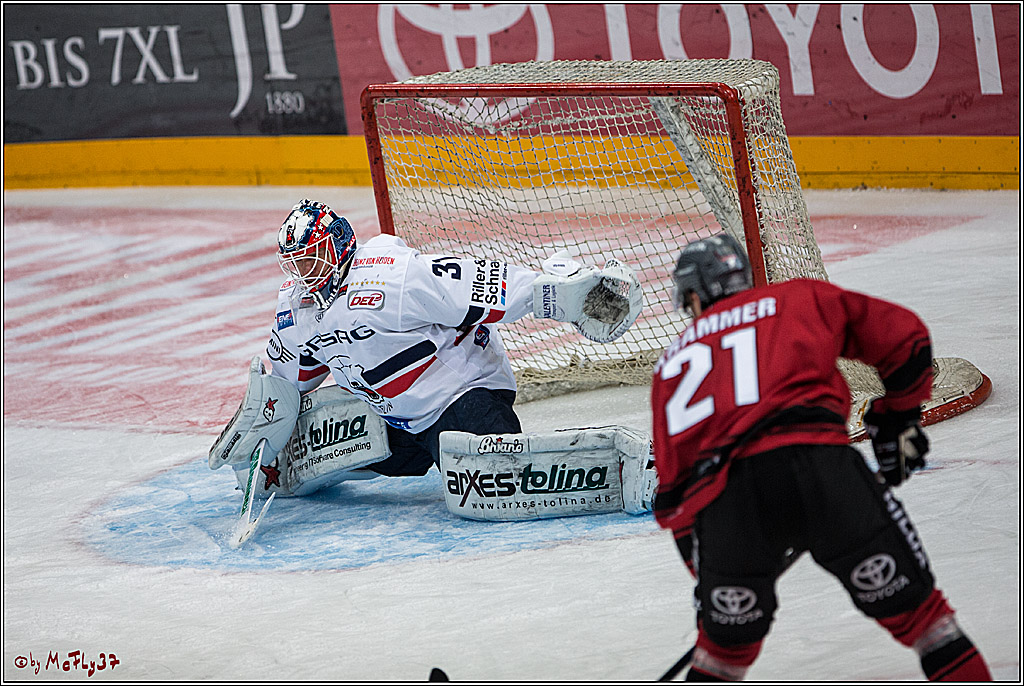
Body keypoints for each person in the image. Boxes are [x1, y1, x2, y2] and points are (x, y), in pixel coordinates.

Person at [650, 233, 991, 681]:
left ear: (694, 296)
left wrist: (712, 578)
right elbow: (905, 339)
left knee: (722, 656)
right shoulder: (797, 298)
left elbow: (675, 496)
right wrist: (897, 419)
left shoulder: (671, 364)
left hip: (732, 504)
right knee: (928, 624)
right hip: (823, 471)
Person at [210, 198, 642, 490]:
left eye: (311, 259)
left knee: (486, 483)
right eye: (296, 264)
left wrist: (556, 294)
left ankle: (613, 468)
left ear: (338, 244)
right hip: (394, 423)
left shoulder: (391, 274)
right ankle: (280, 467)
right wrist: (260, 437)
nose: (305, 274)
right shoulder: (296, 307)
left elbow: (477, 283)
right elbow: (287, 384)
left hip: (461, 397)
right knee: (318, 425)